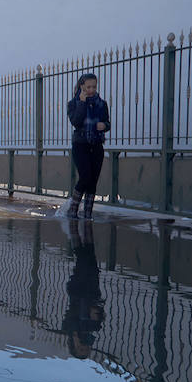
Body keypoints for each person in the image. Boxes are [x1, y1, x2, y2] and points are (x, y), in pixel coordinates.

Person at [66, 73, 110, 219]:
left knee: (93, 181)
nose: (91, 90)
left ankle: (87, 213)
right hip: (80, 145)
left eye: (94, 87)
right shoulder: (73, 103)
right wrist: (82, 103)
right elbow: (76, 122)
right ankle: (73, 209)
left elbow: (107, 123)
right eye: (88, 87)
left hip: (97, 145)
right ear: (81, 87)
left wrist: (104, 125)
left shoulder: (102, 104)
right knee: (85, 176)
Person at [62, 221, 105, 359]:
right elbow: (99, 311)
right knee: (90, 256)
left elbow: (72, 314)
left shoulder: (69, 327)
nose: (84, 345)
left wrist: (75, 334)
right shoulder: (94, 327)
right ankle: (84, 227)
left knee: (83, 259)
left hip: (79, 290)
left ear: (74, 345)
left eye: (81, 347)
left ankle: (75, 226)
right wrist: (95, 313)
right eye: (86, 348)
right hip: (92, 291)